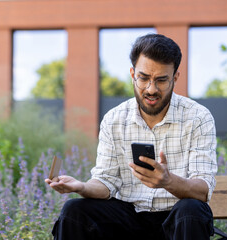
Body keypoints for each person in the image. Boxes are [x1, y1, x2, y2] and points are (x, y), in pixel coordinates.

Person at [45, 33, 217, 240]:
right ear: (132, 74)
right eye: (144, 78)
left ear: (175, 78)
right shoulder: (114, 119)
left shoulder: (198, 117)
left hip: (176, 220)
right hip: (128, 220)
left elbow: (202, 190)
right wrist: (81, 187)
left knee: (192, 210)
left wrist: (168, 181)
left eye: (161, 80)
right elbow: (106, 182)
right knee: (74, 210)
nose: (151, 89)